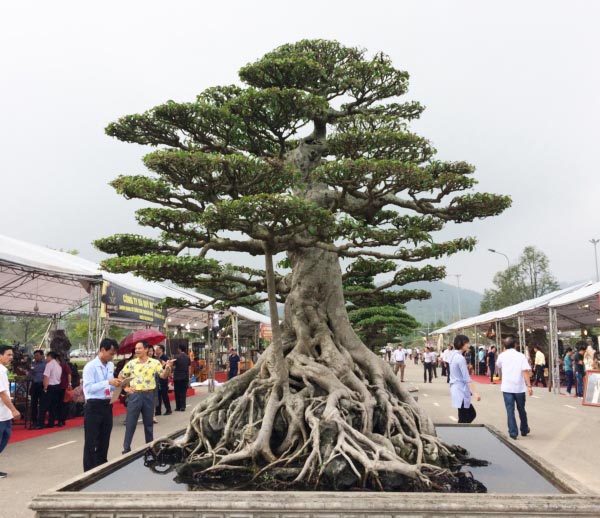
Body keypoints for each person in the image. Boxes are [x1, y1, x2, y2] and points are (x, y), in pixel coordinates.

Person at [119, 341, 174, 453]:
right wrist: (125, 388)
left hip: (149, 395)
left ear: (146, 349)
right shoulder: (131, 363)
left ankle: (150, 447)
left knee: (148, 423)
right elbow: (120, 376)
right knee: (131, 422)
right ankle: (126, 448)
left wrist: (168, 367)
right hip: (135, 396)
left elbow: (163, 376)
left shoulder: (155, 363)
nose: (137, 350)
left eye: (139, 348)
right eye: (136, 349)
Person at [82, 338, 122, 471]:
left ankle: (101, 465)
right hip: (93, 405)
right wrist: (108, 383)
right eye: (111, 353)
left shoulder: (110, 365)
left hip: (107, 404)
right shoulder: (90, 367)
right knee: (91, 440)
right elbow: (88, 389)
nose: (112, 356)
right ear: (103, 350)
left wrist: (118, 385)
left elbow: (109, 386)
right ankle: (89, 469)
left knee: (104, 438)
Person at [496, 336, 533, 439]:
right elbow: (525, 371)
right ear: (515, 345)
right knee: (521, 409)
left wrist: (503, 352)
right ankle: (524, 429)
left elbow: (498, 365)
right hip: (519, 388)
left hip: (507, 387)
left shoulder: (502, 356)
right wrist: (529, 386)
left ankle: (513, 432)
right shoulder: (520, 356)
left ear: (504, 346)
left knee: (510, 410)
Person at [449, 335, 480, 423]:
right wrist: (475, 393)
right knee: (468, 415)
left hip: (456, 388)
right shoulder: (460, 358)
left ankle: (460, 433)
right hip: (460, 390)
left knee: (464, 415)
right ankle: (459, 434)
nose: (468, 345)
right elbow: (467, 378)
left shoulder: (453, 355)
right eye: (467, 343)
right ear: (461, 344)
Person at [0, 345, 21, 478]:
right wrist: (14, 410)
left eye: (11, 355)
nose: (11, 357)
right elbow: (1, 393)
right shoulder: (0, 371)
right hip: (1, 414)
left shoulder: (3, 370)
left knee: (5, 436)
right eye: (8, 355)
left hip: (4, 413)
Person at [35, 351, 62, 429]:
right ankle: (51, 422)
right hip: (57, 387)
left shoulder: (49, 365)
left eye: (47, 357)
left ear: (50, 357)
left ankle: (41, 423)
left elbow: (46, 377)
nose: (46, 359)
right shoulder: (58, 365)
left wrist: (45, 388)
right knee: (53, 406)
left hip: (50, 387)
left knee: (43, 406)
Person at [29, 350, 45, 428]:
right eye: (35, 356)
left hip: (42, 385)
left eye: (37, 355)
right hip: (35, 385)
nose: (36, 357)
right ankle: (33, 421)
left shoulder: (45, 364)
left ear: (42, 356)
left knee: (42, 404)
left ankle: (41, 421)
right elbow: (30, 375)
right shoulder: (33, 364)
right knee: (33, 404)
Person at [154, 345, 172, 416]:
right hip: (157, 379)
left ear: (161, 350)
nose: (155, 351)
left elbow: (167, 369)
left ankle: (168, 409)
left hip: (163, 378)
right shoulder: (156, 358)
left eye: (157, 349)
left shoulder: (165, 358)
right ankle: (158, 410)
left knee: (164, 394)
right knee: (158, 395)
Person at [173, 344, 191, 412]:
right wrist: (189, 376)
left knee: (177, 392)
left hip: (177, 377)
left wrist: (172, 365)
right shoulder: (187, 357)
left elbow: (174, 367)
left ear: (180, 349)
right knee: (183, 392)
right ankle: (183, 406)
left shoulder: (176, 357)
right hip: (185, 376)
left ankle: (178, 406)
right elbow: (189, 367)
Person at [57, 355, 72, 427]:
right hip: (58, 386)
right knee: (61, 404)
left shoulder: (64, 366)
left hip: (63, 387)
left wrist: (69, 383)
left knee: (63, 404)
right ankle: (61, 419)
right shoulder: (57, 367)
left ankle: (61, 419)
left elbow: (69, 374)